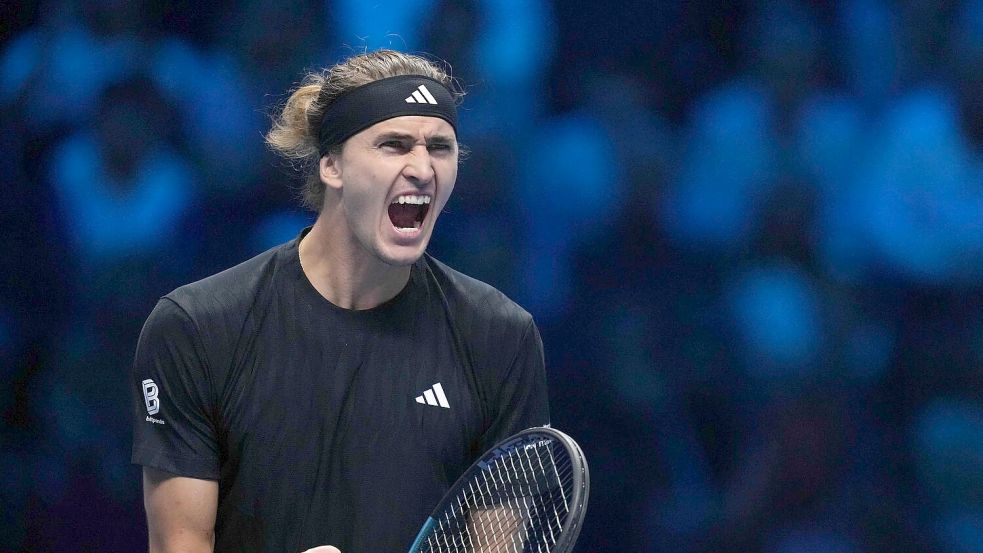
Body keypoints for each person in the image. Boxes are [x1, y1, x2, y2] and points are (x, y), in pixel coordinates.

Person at [130, 49, 549, 553]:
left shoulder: (499, 337)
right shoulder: (197, 328)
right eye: (393, 145)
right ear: (331, 165)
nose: (422, 168)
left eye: (440, 147)